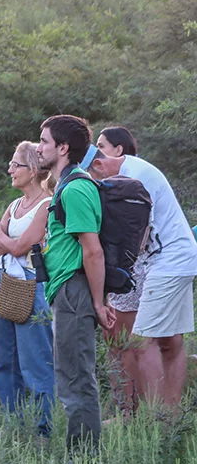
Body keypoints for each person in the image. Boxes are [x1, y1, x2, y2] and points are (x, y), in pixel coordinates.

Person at [88, 148, 197, 408]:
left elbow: (135, 236)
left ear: (99, 166)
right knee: (169, 342)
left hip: (168, 260)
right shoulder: (130, 170)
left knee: (140, 342)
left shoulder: (136, 178)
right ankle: (170, 419)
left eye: (93, 181)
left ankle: (155, 421)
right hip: (173, 259)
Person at [36, 115, 115, 457]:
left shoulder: (78, 187)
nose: (39, 148)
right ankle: (81, 455)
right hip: (67, 291)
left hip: (75, 291)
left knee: (76, 381)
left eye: (44, 141)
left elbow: (92, 251)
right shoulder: (65, 186)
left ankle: (83, 462)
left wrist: (97, 303)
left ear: (63, 148)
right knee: (69, 376)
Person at [0, 142, 55, 437]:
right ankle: (14, 423)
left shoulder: (46, 204)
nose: (10, 170)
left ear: (34, 170)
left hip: (33, 287)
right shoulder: (13, 206)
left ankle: (42, 429)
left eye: (16, 165)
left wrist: (0, 233)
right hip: (6, 284)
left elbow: (20, 246)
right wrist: (7, 244)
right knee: (3, 359)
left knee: (35, 361)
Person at [92, 127, 152, 414]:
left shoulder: (129, 186)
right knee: (115, 340)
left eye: (102, 147)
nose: (97, 154)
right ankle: (125, 406)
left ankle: (131, 410)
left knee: (124, 340)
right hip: (120, 272)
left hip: (131, 271)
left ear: (119, 151)